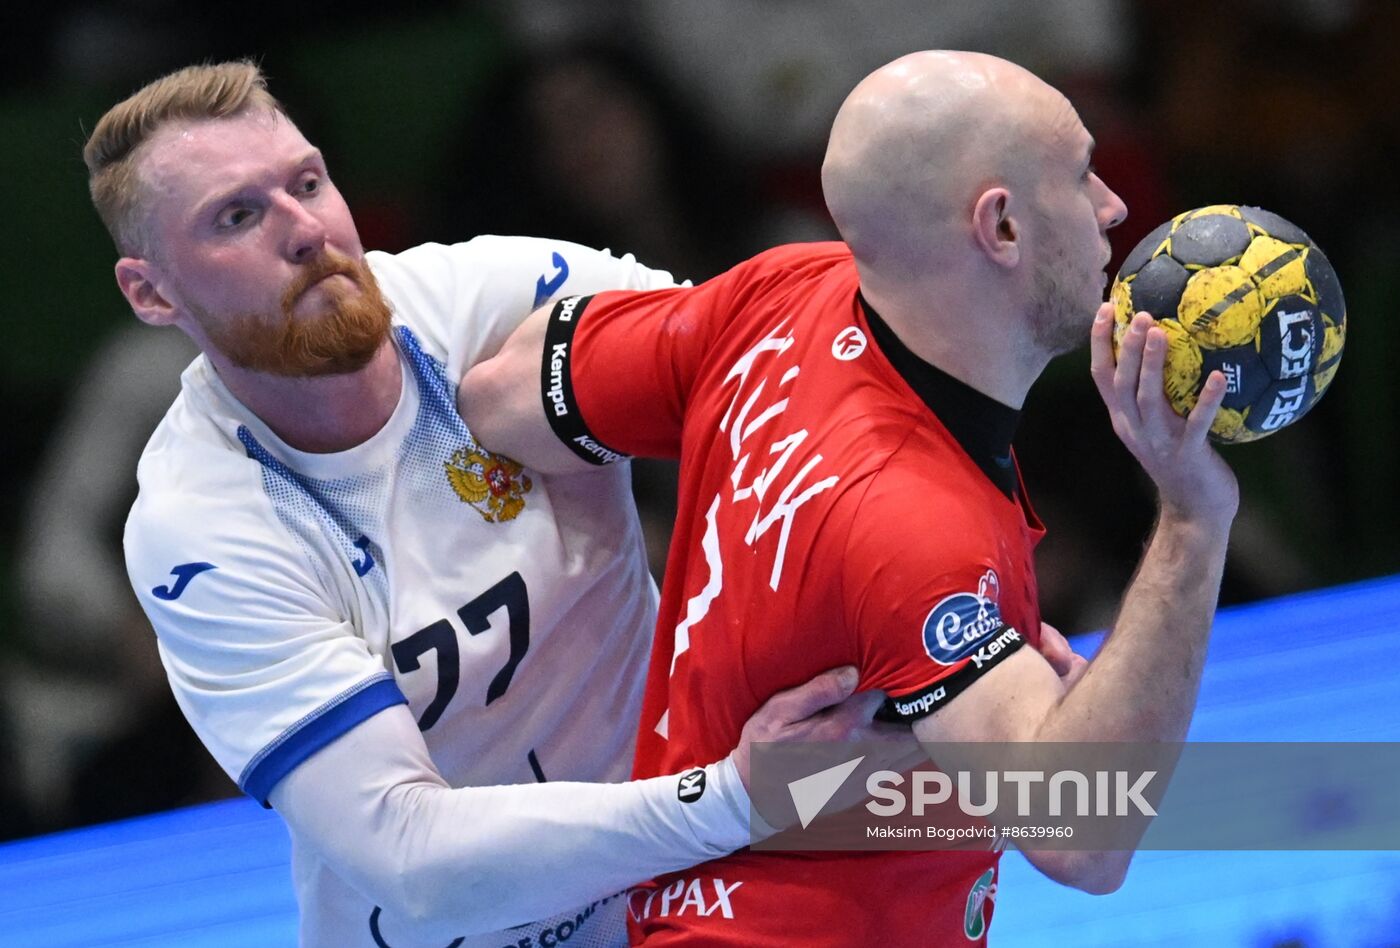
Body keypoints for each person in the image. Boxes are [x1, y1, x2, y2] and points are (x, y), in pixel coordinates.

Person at [87, 61, 887, 948]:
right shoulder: (202, 527)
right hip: (480, 923)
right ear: (151, 293)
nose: (306, 229)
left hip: (693, 887)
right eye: (238, 216)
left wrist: (953, 592)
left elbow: (776, 376)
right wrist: (736, 797)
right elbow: (413, 858)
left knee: (1032, 798)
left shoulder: (503, 298)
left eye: (308, 183)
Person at [462, 50, 1239, 945]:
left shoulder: (789, 294)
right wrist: (1191, 518)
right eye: (1079, 176)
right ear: (1004, 228)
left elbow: (502, 399)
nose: (1113, 205)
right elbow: (1086, 839)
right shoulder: (911, 524)